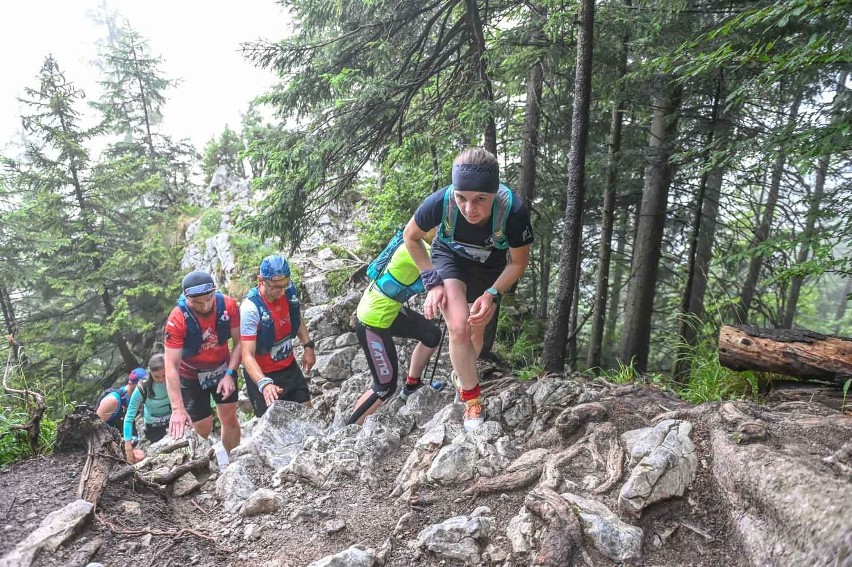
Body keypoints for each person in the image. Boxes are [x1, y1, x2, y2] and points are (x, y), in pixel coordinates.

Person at [403, 147, 534, 431]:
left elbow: (518, 263)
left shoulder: (513, 211)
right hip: (449, 260)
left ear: (494, 192)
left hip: (490, 269)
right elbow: (410, 237)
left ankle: (463, 374)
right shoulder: (440, 202)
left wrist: (493, 294)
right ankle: (472, 400)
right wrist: (432, 281)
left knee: (475, 331)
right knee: (459, 327)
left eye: (480, 200)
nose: (469, 209)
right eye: (461, 198)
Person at [346, 230, 443, 425]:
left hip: (385, 310)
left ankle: (412, 385)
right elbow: (445, 271)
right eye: (439, 228)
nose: (441, 233)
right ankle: (348, 430)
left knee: (431, 335)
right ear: (427, 229)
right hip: (373, 321)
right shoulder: (418, 248)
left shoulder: (408, 238)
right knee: (384, 386)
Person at [164, 270, 242, 458]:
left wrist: (230, 374)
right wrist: (177, 409)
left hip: (222, 369)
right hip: (190, 374)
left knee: (229, 417)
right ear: (186, 297)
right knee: (202, 426)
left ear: (214, 291)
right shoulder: (177, 319)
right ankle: (202, 463)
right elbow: (171, 366)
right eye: (197, 302)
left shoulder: (228, 305)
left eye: (208, 299)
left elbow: (239, 343)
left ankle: (234, 463)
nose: (205, 305)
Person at [240, 255, 316, 417]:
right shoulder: (250, 309)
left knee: (307, 415)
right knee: (274, 427)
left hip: (289, 367)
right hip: (263, 374)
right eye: (275, 287)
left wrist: (308, 346)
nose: (281, 291)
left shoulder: (288, 293)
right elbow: (247, 355)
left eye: (285, 285)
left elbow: (296, 318)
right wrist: (264, 384)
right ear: (261, 280)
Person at [123, 354, 171, 464]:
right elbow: (129, 417)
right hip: (153, 425)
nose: (161, 379)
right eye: (157, 377)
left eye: (164, 375)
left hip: (173, 419)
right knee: (161, 456)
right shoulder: (142, 388)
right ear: (150, 373)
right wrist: (128, 446)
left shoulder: (175, 379)